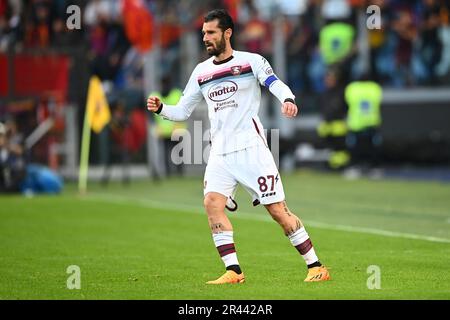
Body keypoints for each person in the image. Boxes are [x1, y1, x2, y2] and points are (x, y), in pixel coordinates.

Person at [147, 9, 330, 284]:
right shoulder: (201, 72)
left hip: (251, 150)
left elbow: (274, 83)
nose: (206, 38)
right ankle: (234, 271)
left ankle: (316, 266)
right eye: (203, 33)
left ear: (227, 33)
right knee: (212, 204)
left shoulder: (251, 61)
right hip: (219, 153)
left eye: (211, 32)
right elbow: (183, 111)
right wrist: (162, 108)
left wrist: (288, 99)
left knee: (278, 211)